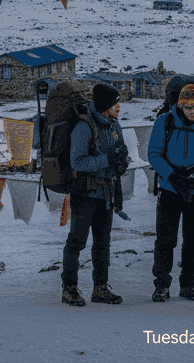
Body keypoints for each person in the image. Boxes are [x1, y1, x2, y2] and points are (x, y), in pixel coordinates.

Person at [147, 80, 194, 302]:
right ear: (180, 105)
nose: (193, 112)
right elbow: (154, 153)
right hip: (170, 188)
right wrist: (171, 177)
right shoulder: (165, 122)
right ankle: (162, 284)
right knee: (165, 239)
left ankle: (188, 284)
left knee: (192, 239)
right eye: (189, 107)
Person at [61, 82, 130, 307]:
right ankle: (69, 288)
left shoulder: (114, 125)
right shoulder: (84, 127)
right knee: (77, 242)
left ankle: (100, 288)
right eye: (114, 104)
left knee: (102, 243)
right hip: (85, 192)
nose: (118, 107)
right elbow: (77, 161)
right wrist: (107, 160)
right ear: (103, 107)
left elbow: (122, 150)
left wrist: (122, 161)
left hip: (107, 191)